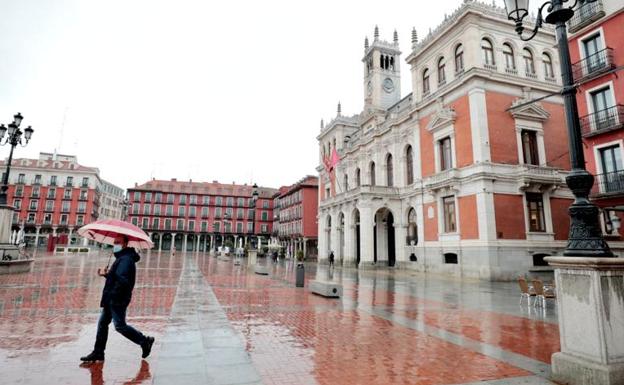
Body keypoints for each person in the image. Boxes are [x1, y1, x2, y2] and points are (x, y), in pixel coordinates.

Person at [80, 235, 154, 362]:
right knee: (103, 324)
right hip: (112, 297)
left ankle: (144, 341)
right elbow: (117, 278)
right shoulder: (122, 258)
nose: (115, 244)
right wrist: (107, 275)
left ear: (125, 244)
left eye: (118, 242)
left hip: (117, 298)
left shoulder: (125, 260)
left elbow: (123, 281)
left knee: (119, 325)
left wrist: (112, 278)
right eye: (115, 242)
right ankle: (98, 352)